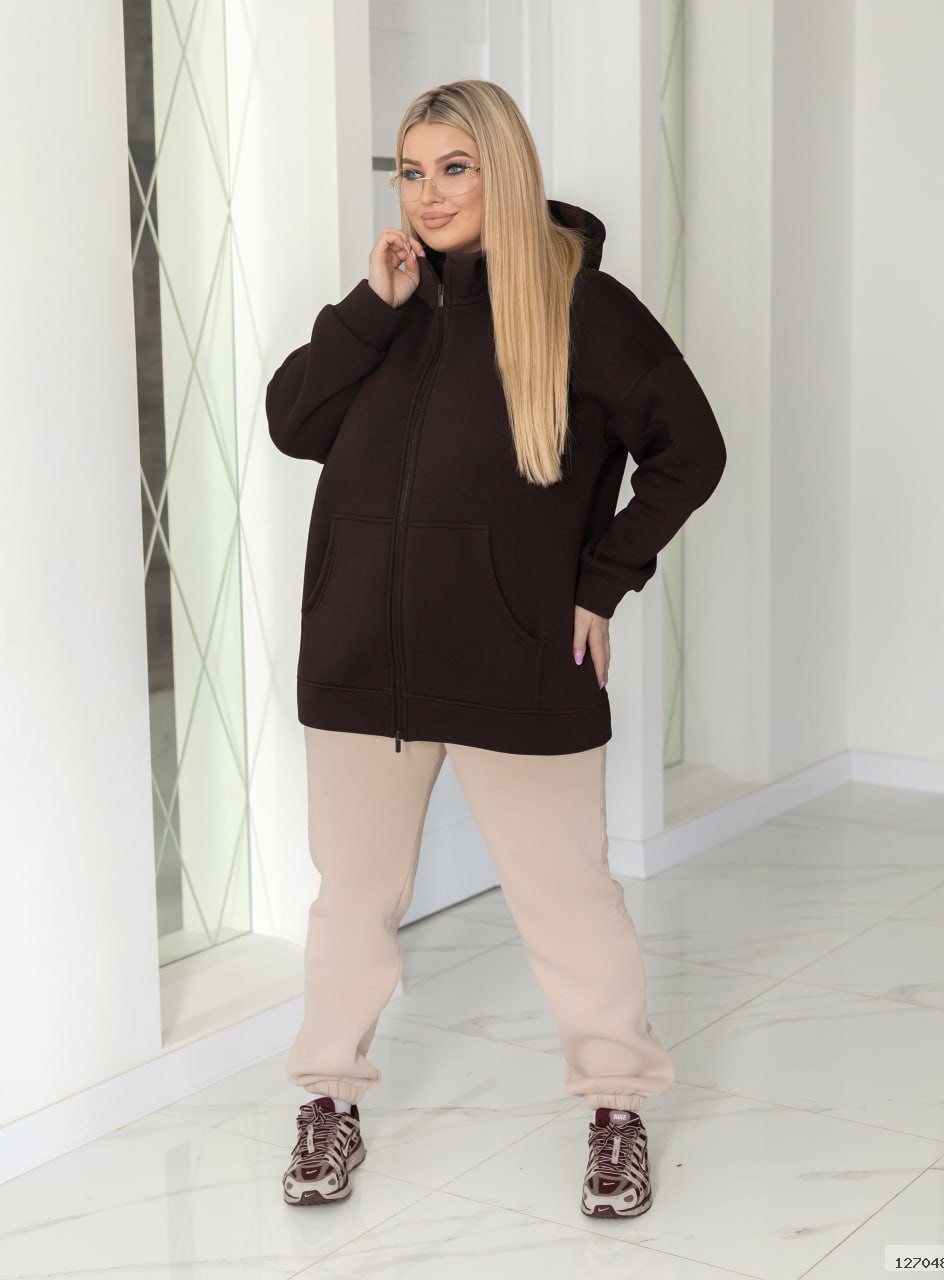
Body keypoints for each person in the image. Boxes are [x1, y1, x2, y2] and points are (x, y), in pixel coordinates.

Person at [266, 79, 725, 1219]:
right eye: (410, 171)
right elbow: (292, 424)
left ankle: (616, 1110)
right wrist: (370, 308)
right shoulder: (386, 305)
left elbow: (691, 450)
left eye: (454, 168)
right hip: (362, 660)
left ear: (503, 170)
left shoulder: (584, 307)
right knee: (350, 900)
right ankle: (328, 1099)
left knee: (567, 898)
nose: (427, 194)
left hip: (517, 655)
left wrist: (601, 582)